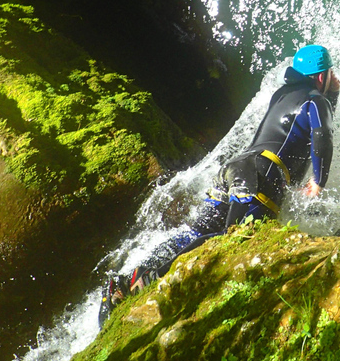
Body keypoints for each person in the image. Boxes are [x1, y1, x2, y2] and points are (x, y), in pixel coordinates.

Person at [99, 44, 339, 325]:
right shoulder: (316, 101)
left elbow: (301, 123)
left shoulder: (282, 95)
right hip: (261, 176)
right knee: (234, 239)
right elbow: (322, 132)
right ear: (321, 76)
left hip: (234, 170)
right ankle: (150, 279)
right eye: (330, 74)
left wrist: (332, 92)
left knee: (198, 230)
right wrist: (318, 182)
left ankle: (130, 277)